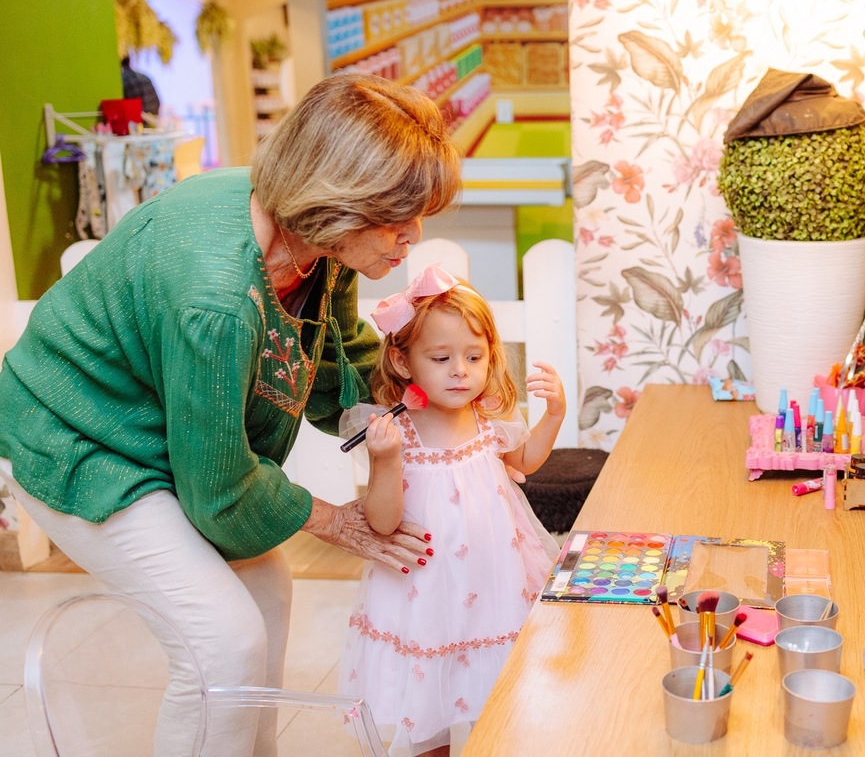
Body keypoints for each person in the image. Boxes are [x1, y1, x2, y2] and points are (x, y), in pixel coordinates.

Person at [0, 73, 461, 756]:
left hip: (158, 419)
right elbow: (218, 488)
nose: (412, 237)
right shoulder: (216, 298)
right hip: (79, 433)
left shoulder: (314, 242)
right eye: (399, 218)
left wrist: (412, 396)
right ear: (341, 204)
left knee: (268, 591)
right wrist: (339, 522)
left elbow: (338, 356)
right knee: (221, 642)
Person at [338, 265, 564, 757]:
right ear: (403, 363)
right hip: (423, 593)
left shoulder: (488, 419)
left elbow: (525, 460)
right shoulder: (400, 434)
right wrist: (385, 458)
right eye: (441, 357)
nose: (460, 370)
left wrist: (555, 416)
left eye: (474, 356)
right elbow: (382, 523)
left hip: (493, 583)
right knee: (426, 711)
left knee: (499, 702)